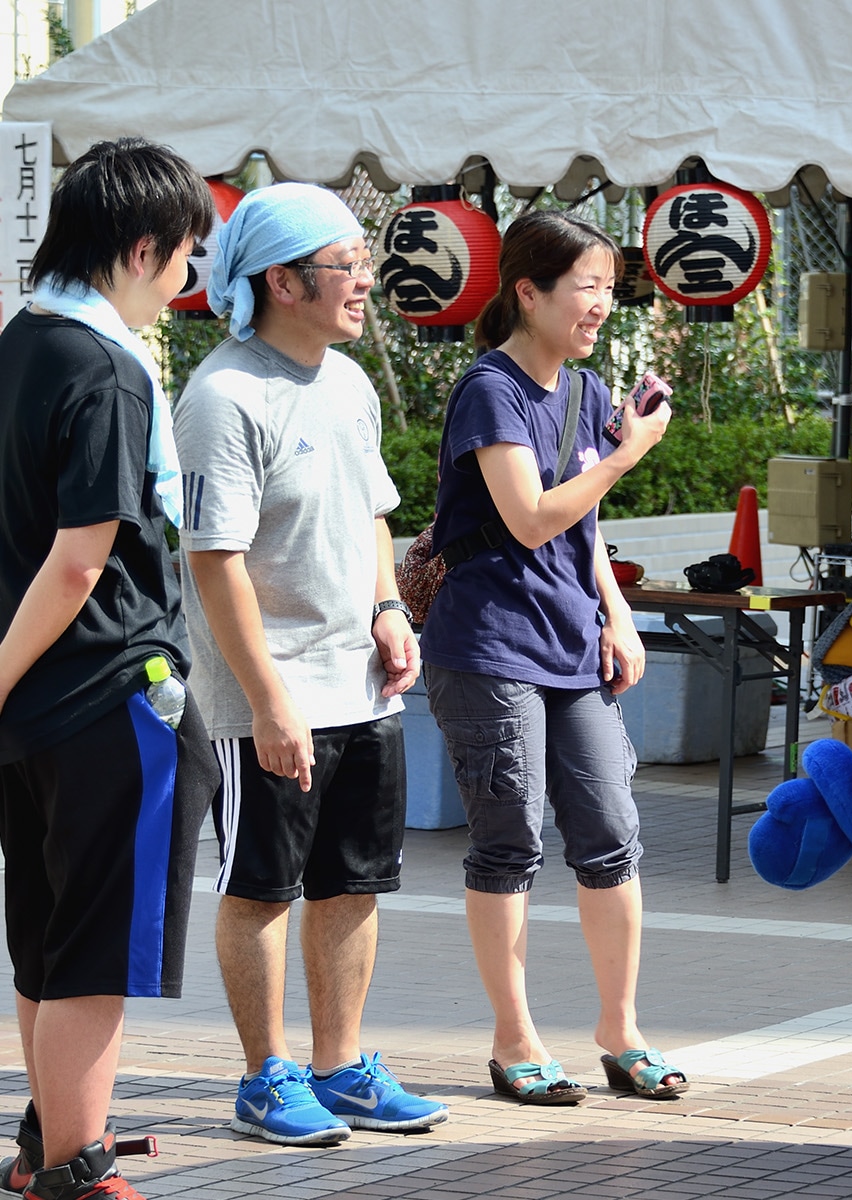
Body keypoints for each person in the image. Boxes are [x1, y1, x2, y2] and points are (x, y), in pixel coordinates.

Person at [174, 183, 447, 1146]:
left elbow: (374, 512)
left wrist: (386, 607)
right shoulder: (221, 396)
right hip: (270, 699)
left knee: (355, 881)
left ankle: (342, 1069)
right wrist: (266, 700)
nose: (366, 280)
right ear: (281, 281)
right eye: (347, 265)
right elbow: (215, 565)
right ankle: (264, 1079)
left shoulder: (348, 383)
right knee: (260, 886)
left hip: (361, 688)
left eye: (364, 262)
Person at [0, 138, 220, 1200]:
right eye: (185, 259)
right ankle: (79, 1170)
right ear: (143, 248)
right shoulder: (105, 368)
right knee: (93, 945)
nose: (185, 286)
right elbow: (85, 558)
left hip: (33, 712)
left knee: (45, 935)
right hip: (106, 697)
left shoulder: (19, 344)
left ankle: (48, 1148)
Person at [421, 209, 681, 1105]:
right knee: (510, 841)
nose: (602, 303)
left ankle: (621, 1031)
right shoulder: (490, 390)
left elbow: (585, 530)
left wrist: (617, 614)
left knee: (611, 833)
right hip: (490, 648)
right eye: (587, 286)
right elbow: (532, 516)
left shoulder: (586, 389)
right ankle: (514, 1038)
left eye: (610, 287)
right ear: (528, 293)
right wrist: (629, 454)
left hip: (574, 645)